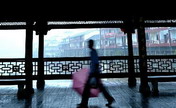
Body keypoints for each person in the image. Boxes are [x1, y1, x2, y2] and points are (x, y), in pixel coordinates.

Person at [77, 39, 115, 108]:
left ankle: (84, 103)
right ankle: (110, 99)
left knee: (87, 88)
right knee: (100, 87)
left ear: (91, 44)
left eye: (89, 44)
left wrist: (93, 73)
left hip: (94, 73)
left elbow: (96, 63)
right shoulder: (93, 52)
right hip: (94, 72)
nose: (88, 45)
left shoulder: (93, 52)